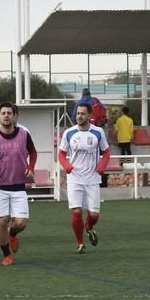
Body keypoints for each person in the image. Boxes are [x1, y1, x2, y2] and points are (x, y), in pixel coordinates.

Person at [0, 103, 37, 266]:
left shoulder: (24, 135)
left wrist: (31, 167)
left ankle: (13, 233)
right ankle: (6, 254)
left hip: (19, 186)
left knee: (21, 223)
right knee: (1, 222)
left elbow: (33, 152)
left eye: (9, 113)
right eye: (3, 113)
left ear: (15, 116)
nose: (6, 116)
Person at [58, 103, 111, 254]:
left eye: (82, 113)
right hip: (74, 178)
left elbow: (106, 153)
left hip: (92, 179)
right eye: (77, 113)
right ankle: (80, 243)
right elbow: (61, 154)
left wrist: (102, 167)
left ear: (89, 115)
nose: (79, 116)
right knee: (76, 212)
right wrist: (66, 165)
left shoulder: (98, 132)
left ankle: (89, 227)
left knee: (94, 215)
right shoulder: (69, 132)